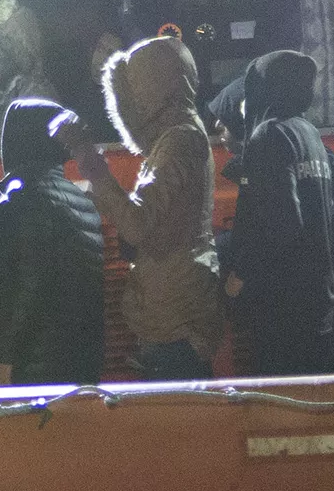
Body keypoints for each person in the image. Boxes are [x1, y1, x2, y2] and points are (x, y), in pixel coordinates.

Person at [67, 35, 222, 383]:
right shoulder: (183, 133)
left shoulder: (177, 142)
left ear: (151, 90)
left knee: (176, 421)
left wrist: (89, 159)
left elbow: (138, 226)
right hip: (181, 301)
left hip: (173, 313)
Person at [222, 50, 334, 376]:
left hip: (282, 308)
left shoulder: (268, 136)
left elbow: (281, 225)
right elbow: (329, 219)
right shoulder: (309, 134)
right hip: (318, 301)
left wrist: (239, 276)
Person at [0, 98, 105, 386]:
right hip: (78, 359)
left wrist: (3, 359)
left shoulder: (25, 199)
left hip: (35, 365)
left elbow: (26, 287)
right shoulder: (80, 200)